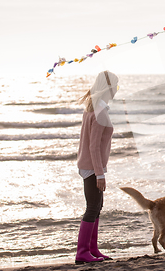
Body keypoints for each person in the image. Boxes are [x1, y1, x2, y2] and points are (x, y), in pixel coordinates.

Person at [75, 71, 119, 264]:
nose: (116, 90)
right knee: (92, 207)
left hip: (91, 165)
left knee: (97, 206)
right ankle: (82, 252)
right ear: (108, 88)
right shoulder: (99, 111)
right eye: (116, 86)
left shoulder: (94, 107)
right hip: (92, 167)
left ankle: (92, 249)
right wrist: (99, 174)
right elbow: (93, 146)